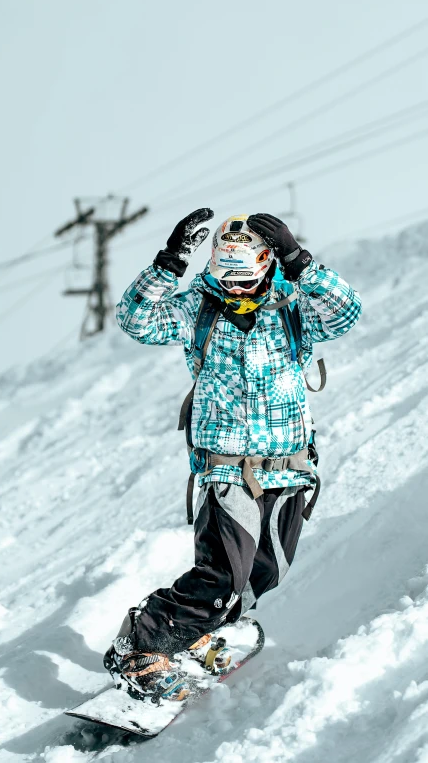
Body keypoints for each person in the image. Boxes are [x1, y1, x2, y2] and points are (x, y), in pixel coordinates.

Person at [104, 209, 362, 701]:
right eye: (226, 277)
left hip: (289, 467)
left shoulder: (291, 306)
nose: (236, 288)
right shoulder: (198, 308)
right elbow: (135, 320)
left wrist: (300, 261)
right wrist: (169, 262)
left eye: (245, 278)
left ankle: (200, 635)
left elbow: (346, 313)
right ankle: (140, 646)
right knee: (220, 576)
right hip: (227, 467)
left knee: (267, 571)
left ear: (266, 265)